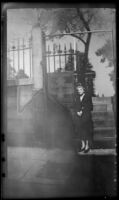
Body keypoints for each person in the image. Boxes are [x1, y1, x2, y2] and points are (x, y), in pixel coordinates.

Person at [73, 84, 93, 153]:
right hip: (79, 116)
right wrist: (77, 112)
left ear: (83, 89)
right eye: (78, 90)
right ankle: (83, 145)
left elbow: (90, 107)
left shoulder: (87, 96)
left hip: (86, 116)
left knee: (86, 130)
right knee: (80, 131)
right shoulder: (76, 97)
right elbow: (75, 106)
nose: (79, 91)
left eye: (80, 89)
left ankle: (87, 146)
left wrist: (82, 111)